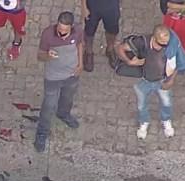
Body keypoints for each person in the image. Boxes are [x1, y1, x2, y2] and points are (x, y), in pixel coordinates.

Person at [115, 25, 178, 140]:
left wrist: (171, 79)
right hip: (144, 80)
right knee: (141, 105)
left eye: (166, 43)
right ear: (154, 38)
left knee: (166, 103)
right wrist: (129, 62)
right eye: (161, 44)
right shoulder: (142, 42)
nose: (164, 46)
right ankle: (144, 122)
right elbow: (120, 49)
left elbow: (177, 61)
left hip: (162, 80)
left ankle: (166, 119)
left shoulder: (171, 44)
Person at [35, 12, 84, 152]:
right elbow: (40, 56)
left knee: (67, 99)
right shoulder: (48, 34)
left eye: (64, 31)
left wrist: (80, 64)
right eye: (59, 29)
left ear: (71, 27)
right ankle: (42, 133)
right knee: (48, 105)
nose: (61, 32)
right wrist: (47, 56)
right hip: (53, 77)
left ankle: (63, 114)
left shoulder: (78, 31)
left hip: (72, 74)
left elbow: (80, 45)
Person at [80, 0, 121, 71]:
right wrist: (84, 7)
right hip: (93, 5)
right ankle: (88, 52)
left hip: (111, 6)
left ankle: (110, 49)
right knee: (89, 31)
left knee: (112, 30)